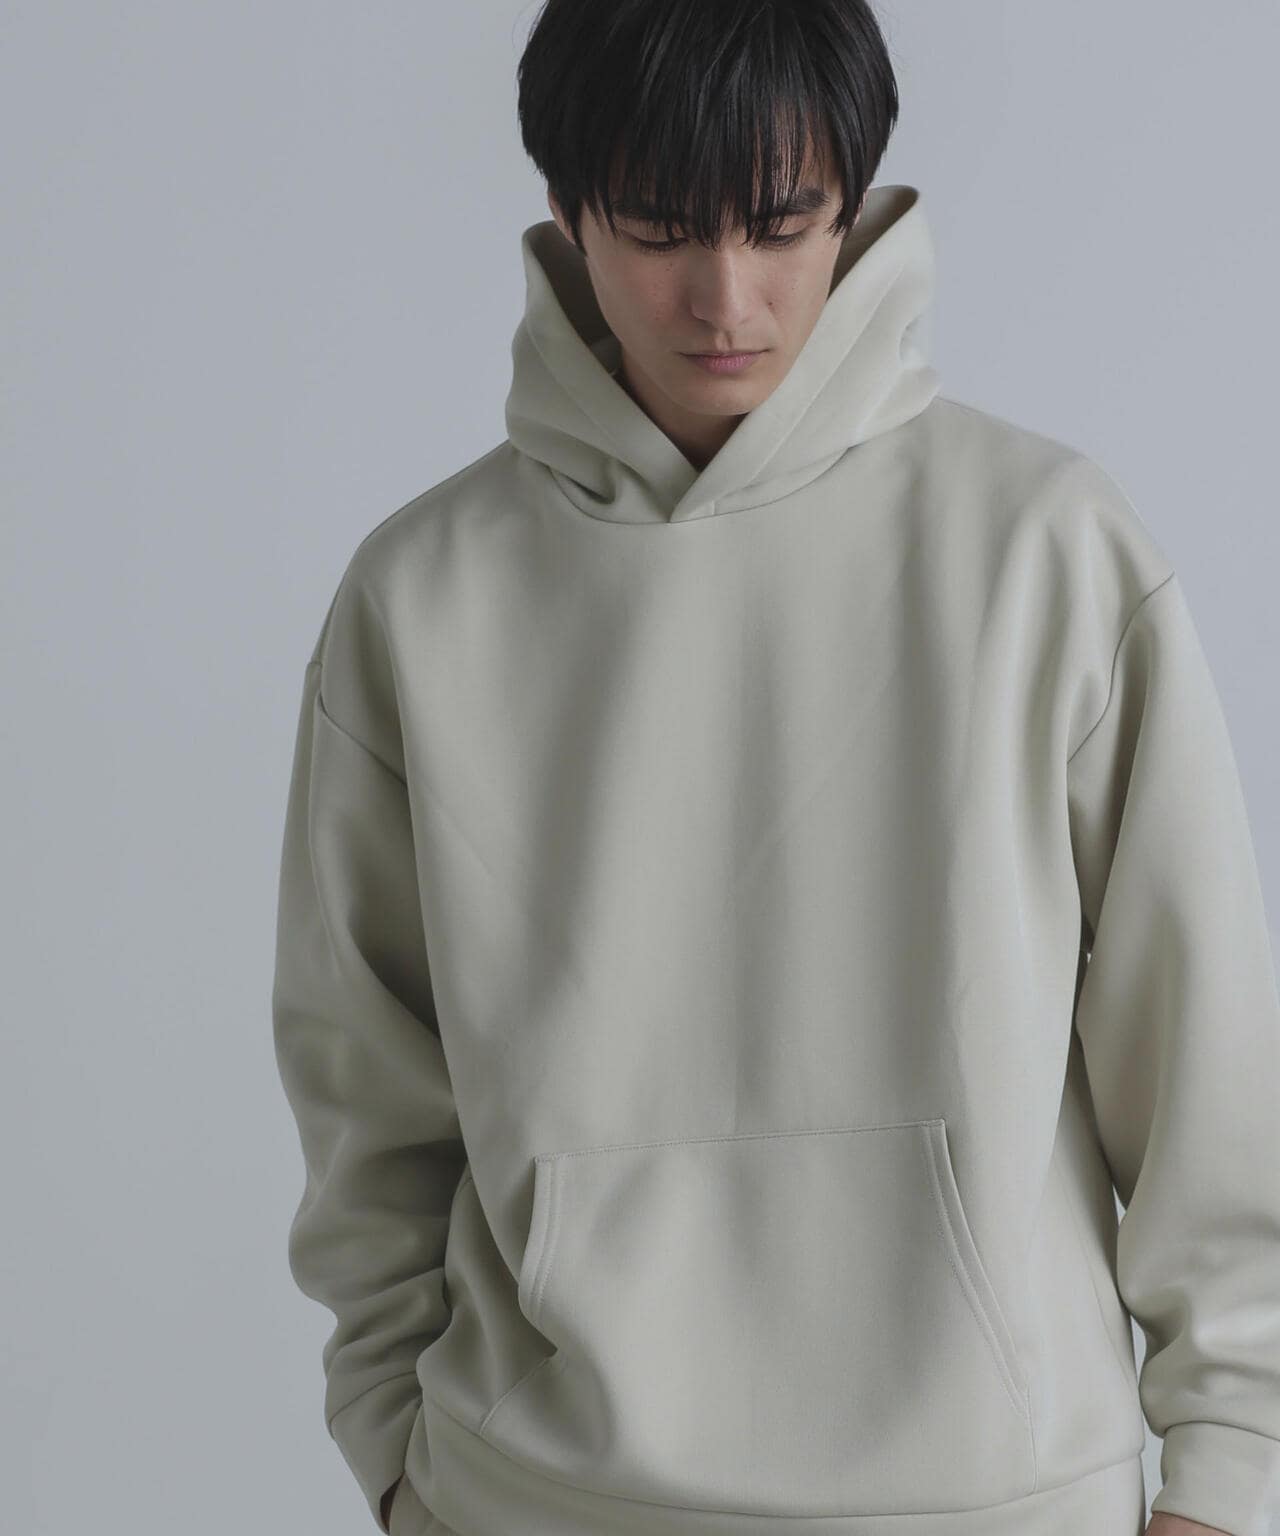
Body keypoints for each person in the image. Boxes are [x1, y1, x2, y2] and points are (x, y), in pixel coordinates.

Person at [270, 3, 1280, 1534]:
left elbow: (1205, 1060)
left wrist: (1228, 1470)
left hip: (992, 1499)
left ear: (853, 205)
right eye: (660, 228)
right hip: (537, 1501)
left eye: (781, 223)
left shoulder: (1049, 551)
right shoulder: (420, 597)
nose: (725, 296)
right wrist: (399, 1464)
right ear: (567, 208)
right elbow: (365, 1091)